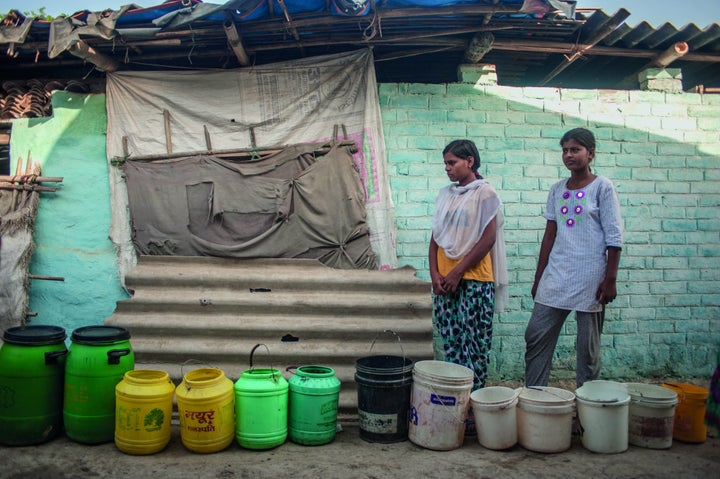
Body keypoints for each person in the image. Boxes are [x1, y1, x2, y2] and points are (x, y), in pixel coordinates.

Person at [524, 127, 623, 388]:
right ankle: (535, 396)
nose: (569, 155)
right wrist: (538, 278)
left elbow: (614, 236)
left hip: (591, 277)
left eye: (575, 149)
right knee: (535, 336)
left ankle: (586, 405)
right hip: (557, 274)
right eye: (565, 150)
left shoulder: (602, 187)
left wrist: (610, 279)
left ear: (590, 153)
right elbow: (549, 236)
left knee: (587, 350)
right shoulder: (557, 190)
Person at [429, 139, 508, 391]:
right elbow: (435, 237)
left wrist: (458, 272)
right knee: (451, 341)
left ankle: (475, 399)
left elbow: (488, 238)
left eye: (452, 163)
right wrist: (435, 274)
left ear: (470, 161)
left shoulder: (485, 193)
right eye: (445, 163)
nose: (447, 168)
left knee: (475, 343)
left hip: (475, 280)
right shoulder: (446, 195)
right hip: (444, 281)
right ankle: (457, 396)